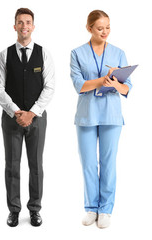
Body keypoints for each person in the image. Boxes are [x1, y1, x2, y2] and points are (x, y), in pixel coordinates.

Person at [0, 8, 55, 227]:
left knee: (36, 165)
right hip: (11, 119)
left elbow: (49, 87)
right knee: (12, 165)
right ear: (15, 26)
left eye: (28, 22)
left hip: (37, 118)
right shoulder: (4, 55)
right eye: (20, 22)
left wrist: (32, 112)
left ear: (33, 26)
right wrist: (16, 111)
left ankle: (35, 209)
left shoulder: (43, 53)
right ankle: (14, 210)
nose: (24, 26)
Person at [71, 10, 131, 229]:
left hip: (111, 115)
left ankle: (105, 209)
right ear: (89, 28)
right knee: (88, 163)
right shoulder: (77, 53)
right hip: (87, 115)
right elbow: (79, 85)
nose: (104, 31)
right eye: (99, 28)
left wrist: (115, 84)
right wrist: (102, 80)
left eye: (107, 27)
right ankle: (91, 207)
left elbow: (127, 88)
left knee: (108, 163)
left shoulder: (118, 53)